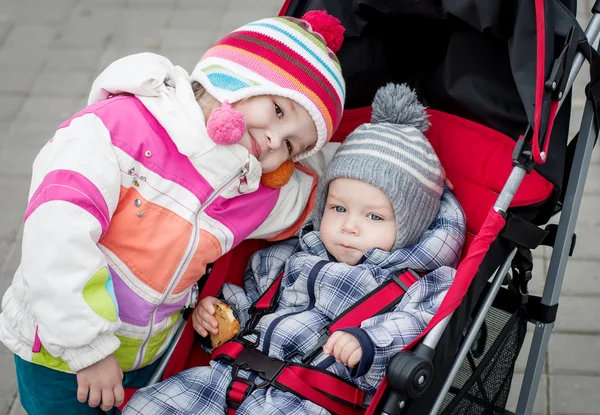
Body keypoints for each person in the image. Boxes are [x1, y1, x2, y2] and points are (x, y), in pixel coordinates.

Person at [0, 10, 346, 415]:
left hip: (145, 355)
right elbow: (56, 235)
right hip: (61, 350)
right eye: (279, 111)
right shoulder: (119, 129)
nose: (273, 139)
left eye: (291, 145)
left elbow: (321, 200)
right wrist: (88, 349)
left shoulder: (253, 191)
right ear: (233, 77)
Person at [123, 83, 466, 415]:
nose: (349, 226)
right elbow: (255, 305)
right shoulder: (293, 254)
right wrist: (220, 314)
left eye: (374, 216)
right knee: (150, 405)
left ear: (411, 226)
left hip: (308, 398)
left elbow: (412, 326)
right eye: (338, 208)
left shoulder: (417, 282)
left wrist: (368, 343)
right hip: (227, 376)